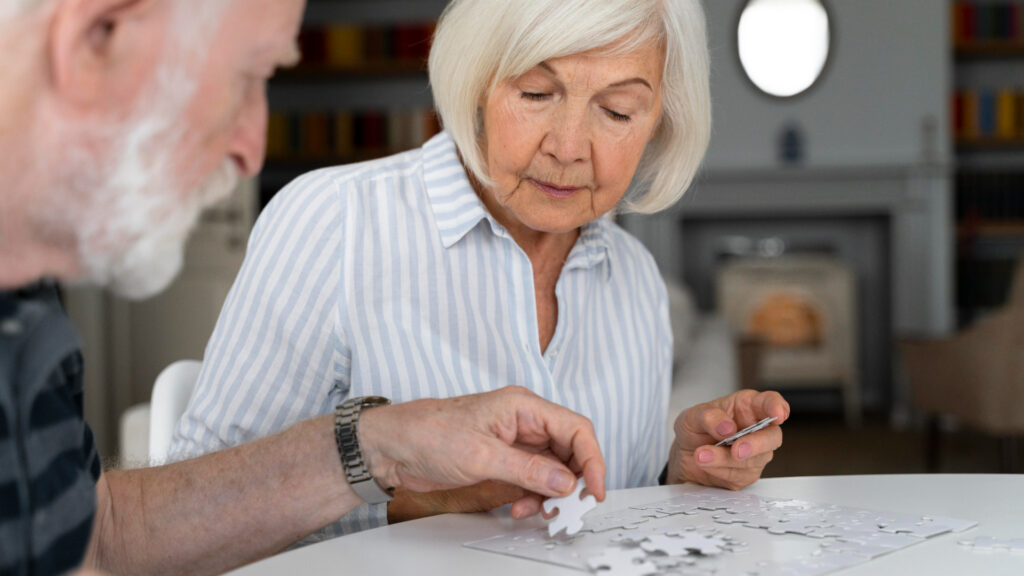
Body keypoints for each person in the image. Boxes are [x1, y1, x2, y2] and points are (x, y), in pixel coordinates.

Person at [0, 0, 608, 574]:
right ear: (96, 36)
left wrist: (384, 444)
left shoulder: (25, 307)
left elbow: (103, 536)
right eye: (245, 77)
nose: (252, 149)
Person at [171, 0, 790, 537]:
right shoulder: (334, 223)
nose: (568, 146)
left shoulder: (635, 278)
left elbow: (604, 517)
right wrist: (412, 502)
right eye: (536, 94)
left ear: (660, 123)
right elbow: (192, 519)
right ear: (476, 84)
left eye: (619, 111)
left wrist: (675, 474)